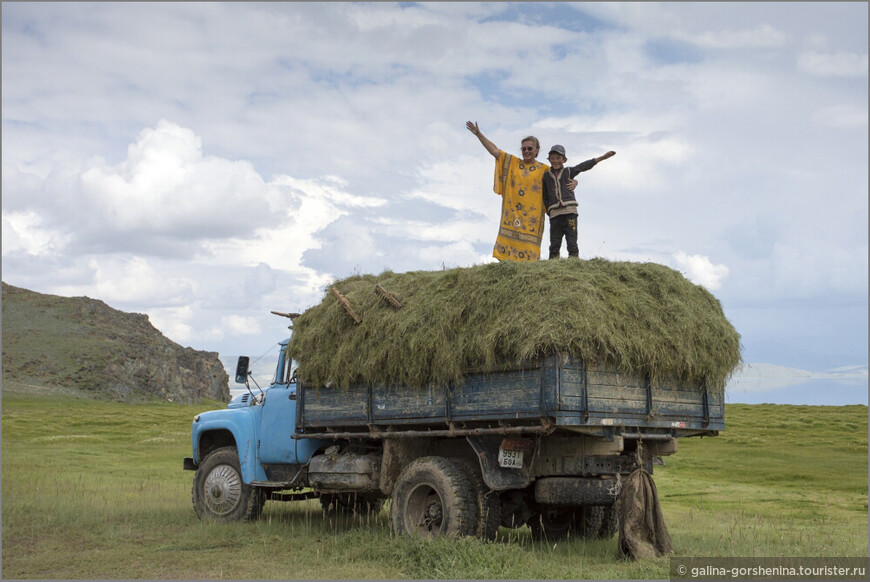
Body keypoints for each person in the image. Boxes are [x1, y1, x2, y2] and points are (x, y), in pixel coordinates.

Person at [466, 121, 576, 262]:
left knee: (530, 257)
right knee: (507, 259)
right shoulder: (512, 163)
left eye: (530, 148)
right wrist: (478, 134)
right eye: (524, 149)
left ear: (537, 150)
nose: (526, 151)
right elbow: (495, 151)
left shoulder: (545, 170)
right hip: (511, 216)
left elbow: (561, 176)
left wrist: (574, 181)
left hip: (532, 220)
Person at [542, 145, 615, 259]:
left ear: (564, 160)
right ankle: (553, 266)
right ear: (549, 159)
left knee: (572, 242)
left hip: (570, 212)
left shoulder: (568, 171)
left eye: (558, 158)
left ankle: (574, 264)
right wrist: (549, 211)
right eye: (552, 158)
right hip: (555, 215)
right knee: (554, 244)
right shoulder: (546, 176)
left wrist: (602, 158)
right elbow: (545, 196)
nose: (555, 161)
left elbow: (582, 166)